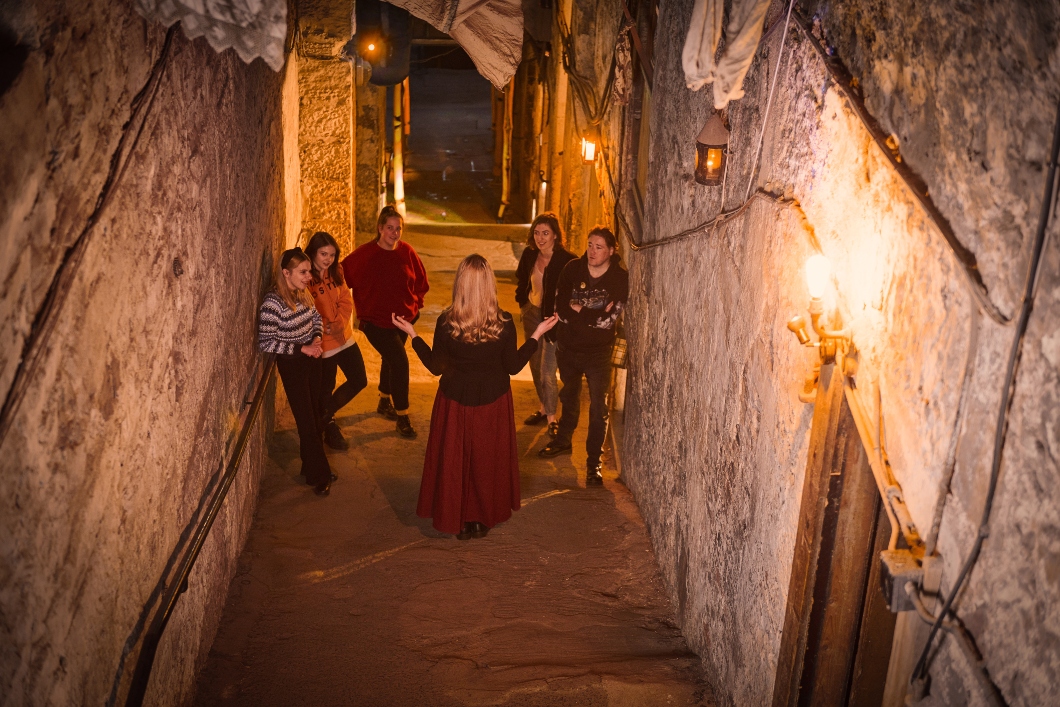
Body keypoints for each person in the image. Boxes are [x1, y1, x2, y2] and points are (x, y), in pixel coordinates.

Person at [391, 254, 558, 539]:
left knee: (456, 462)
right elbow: (514, 366)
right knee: (485, 461)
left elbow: (435, 367)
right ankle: (480, 519)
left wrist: (413, 335)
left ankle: (458, 518)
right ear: (489, 284)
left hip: (455, 402)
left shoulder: (447, 323)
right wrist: (536, 335)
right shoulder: (504, 323)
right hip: (492, 402)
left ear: (460, 284)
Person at [538, 227, 629, 486]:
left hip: (599, 353)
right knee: (569, 396)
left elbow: (608, 320)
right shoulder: (572, 270)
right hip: (569, 348)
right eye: (590, 245)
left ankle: (593, 463)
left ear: (611, 251)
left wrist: (580, 311)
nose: (592, 251)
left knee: (599, 408)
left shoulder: (619, 278)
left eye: (599, 247)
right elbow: (561, 310)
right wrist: (590, 315)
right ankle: (563, 441)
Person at [342, 205, 429, 438]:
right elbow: (342, 275)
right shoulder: (366, 253)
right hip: (376, 322)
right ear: (380, 228)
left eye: (398, 228)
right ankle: (403, 416)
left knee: (390, 359)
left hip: (404, 320)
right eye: (389, 228)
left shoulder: (407, 251)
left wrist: (415, 306)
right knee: (400, 362)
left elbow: (421, 280)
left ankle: (383, 400)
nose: (394, 232)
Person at [258, 247, 334, 496]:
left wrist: (316, 338)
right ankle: (319, 475)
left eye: (309, 271)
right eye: (303, 272)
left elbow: (316, 318)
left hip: (312, 358)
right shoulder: (272, 303)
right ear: (286, 272)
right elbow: (266, 342)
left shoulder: (301, 294)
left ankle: (310, 467)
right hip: (293, 365)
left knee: (315, 412)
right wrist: (302, 349)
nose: (308, 277)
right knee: (306, 422)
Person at [514, 212, 576, 438]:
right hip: (531, 314)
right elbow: (521, 279)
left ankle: (551, 418)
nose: (540, 238)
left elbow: (576, 289)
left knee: (547, 371)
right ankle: (543, 407)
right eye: (537, 233)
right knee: (534, 365)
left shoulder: (567, 260)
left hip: (552, 320)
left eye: (546, 233)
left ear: (556, 235)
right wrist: (523, 304)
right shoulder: (530, 255)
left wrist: (564, 313)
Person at [305, 231, 368, 451]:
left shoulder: (337, 271)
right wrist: (323, 327)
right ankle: (328, 427)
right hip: (325, 344)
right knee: (326, 388)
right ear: (313, 252)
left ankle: (323, 419)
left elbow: (345, 300)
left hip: (344, 337)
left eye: (332, 254)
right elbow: (307, 311)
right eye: (323, 253)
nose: (328, 259)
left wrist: (340, 322)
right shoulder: (306, 279)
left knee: (359, 379)